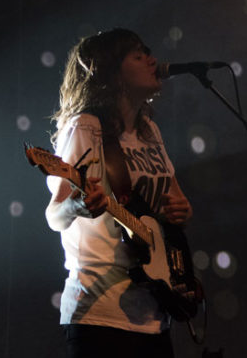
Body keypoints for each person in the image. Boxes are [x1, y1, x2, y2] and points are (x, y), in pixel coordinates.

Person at [45, 28, 193, 358]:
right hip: (100, 315)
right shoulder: (85, 127)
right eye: (138, 56)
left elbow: (175, 202)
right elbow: (54, 215)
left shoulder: (149, 131)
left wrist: (182, 211)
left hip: (154, 315)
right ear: (111, 71)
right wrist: (77, 207)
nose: (152, 60)